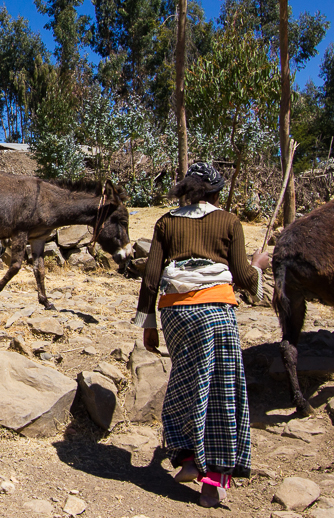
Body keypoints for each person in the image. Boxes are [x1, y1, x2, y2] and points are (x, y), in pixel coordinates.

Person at [132, 162, 270, 508]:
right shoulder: (228, 221)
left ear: (184, 192)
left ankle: (190, 456)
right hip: (216, 311)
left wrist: (147, 324)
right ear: (216, 193)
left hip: (175, 312)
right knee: (222, 388)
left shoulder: (166, 222)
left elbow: (151, 278)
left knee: (187, 380)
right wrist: (259, 265)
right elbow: (242, 277)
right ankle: (212, 482)